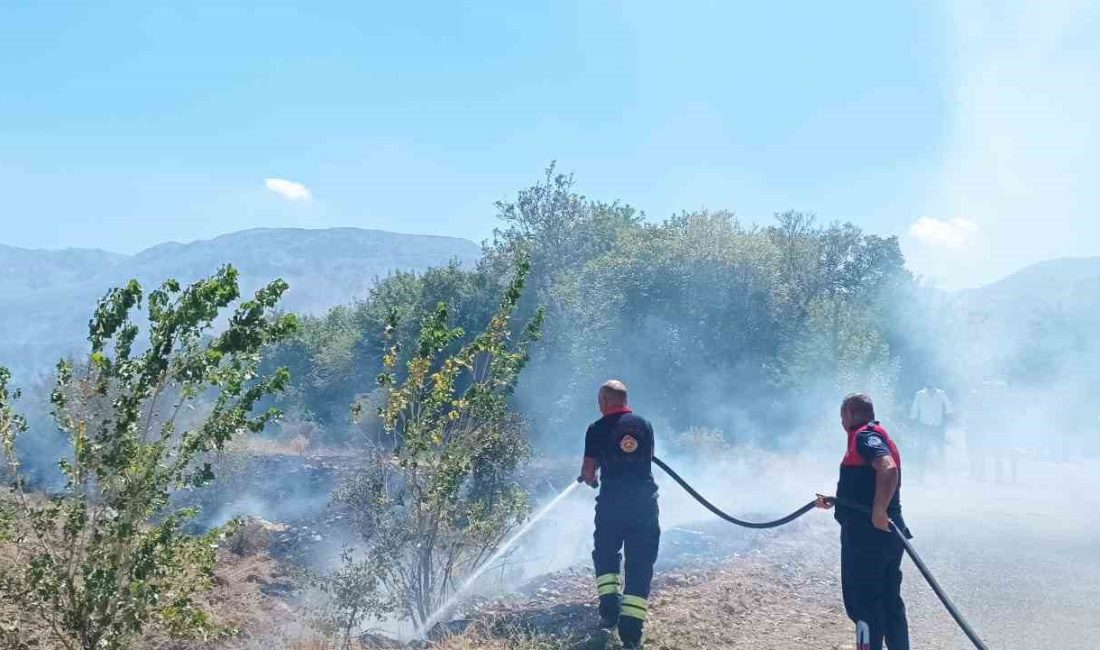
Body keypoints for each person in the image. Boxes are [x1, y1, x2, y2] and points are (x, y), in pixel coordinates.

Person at [817, 393, 911, 650]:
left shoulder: (864, 436)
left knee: (864, 605)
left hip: (867, 537)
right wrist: (836, 500)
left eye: (841, 417)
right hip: (887, 535)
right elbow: (866, 484)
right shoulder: (875, 434)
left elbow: (887, 468)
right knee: (889, 602)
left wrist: (879, 510)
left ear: (848, 414)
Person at [578, 380, 660, 650]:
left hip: (612, 506)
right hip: (644, 507)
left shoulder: (596, 429)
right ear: (625, 401)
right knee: (640, 565)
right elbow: (646, 458)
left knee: (606, 555)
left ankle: (610, 609)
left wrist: (589, 477)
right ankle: (631, 632)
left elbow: (589, 472)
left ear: (604, 401)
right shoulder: (644, 425)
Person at [909, 382, 953, 469]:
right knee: (922, 449)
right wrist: (913, 420)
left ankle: (942, 470)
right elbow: (915, 408)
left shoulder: (941, 394)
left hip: (938, 425)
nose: (930, 390)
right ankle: (920, 472)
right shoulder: (920, 394)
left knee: (940, 448)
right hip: (924, 425)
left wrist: (948, 419)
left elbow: (949, 407)